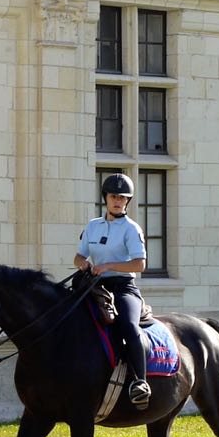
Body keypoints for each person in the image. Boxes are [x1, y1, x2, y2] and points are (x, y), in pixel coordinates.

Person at [74, 172, 150, 410]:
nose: (118, 201)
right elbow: (79, 255)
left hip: (123, 288)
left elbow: (140, 264)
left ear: (128, 201)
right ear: (105, 197)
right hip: (94, 287)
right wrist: (82, 264)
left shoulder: (131, 228)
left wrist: (108, 265)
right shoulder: (92, 226)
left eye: (123, 197)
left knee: (128, 326)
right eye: (114, 196)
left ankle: (140, 382)